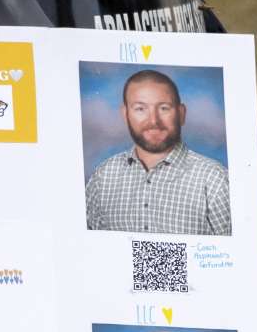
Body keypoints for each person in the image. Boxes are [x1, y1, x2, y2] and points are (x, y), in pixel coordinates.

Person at [85, 70, 231, 235]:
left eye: (164, 108)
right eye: (140, 109)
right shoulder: (103, 176)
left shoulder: (213, 179)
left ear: (181, 114)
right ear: (125, 115)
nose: (154, 120)